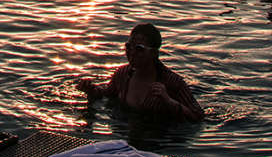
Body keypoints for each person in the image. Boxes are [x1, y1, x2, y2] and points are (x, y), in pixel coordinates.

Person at [76, 22, 205, 121]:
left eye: (139, 49)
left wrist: (169, 101)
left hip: (159, 138)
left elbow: (198, 116)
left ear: (154, 53)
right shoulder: (122, 74)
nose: (132, 52)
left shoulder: (172, 82)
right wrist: (91, 90)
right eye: (128, 46)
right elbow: (108, 94)